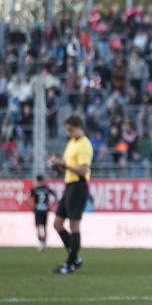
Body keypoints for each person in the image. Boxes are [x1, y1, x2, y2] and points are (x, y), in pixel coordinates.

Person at [48, 115, 93, 274]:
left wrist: (65, 165)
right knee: (57, 224)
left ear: (79, 127)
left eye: (70, 129)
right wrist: (58, 164)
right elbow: (68, 167)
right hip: (69, 186)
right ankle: (74, 258)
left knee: (74, 225)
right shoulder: (72, 143)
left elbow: (84, 169)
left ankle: (70, 263)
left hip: (78, 186)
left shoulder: (84, 144)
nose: (68, 133)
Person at [29, 175, 57, 251]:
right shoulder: (47, 189)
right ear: (42, 180)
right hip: (45, 209)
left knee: (38, 226)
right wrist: (49, 206)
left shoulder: (34, 189)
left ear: (37, 181)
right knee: (44, 227)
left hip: (38, 210)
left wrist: (33, 206)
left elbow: (26, 198)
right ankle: (44, 243)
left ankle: (40, 243)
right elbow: (55, 197)